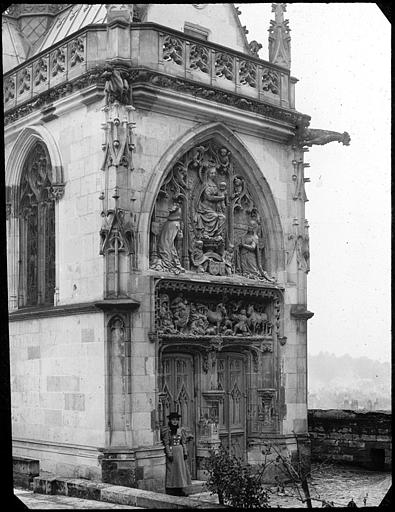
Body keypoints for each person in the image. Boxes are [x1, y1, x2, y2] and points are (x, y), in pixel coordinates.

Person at [160, 412, 191, 496]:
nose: (175, 422)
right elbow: (166, 443)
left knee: (180, 470)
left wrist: (185, 452)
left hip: (180, 452)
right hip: (172, 451)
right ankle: (171, 488)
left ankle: (180, 488)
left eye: (176, 420)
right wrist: (169, 453)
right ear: (170, 420)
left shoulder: (181, 430)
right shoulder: (167, 430)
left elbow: (183, 442)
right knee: (172, 470)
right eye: (173, 420)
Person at [194, 166, 226, 242]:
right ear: (208, 174)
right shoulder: (205, 184)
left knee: (222, 218)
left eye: (215, 173)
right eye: (212, 173)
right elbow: (208, 197)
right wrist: (221, 198)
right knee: (215, 216)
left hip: (213, 209)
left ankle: (217, 235)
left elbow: (219, 194)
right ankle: (205, 233)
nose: (213, 174)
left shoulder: (215, 185)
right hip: (205, 208)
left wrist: (223, 193)